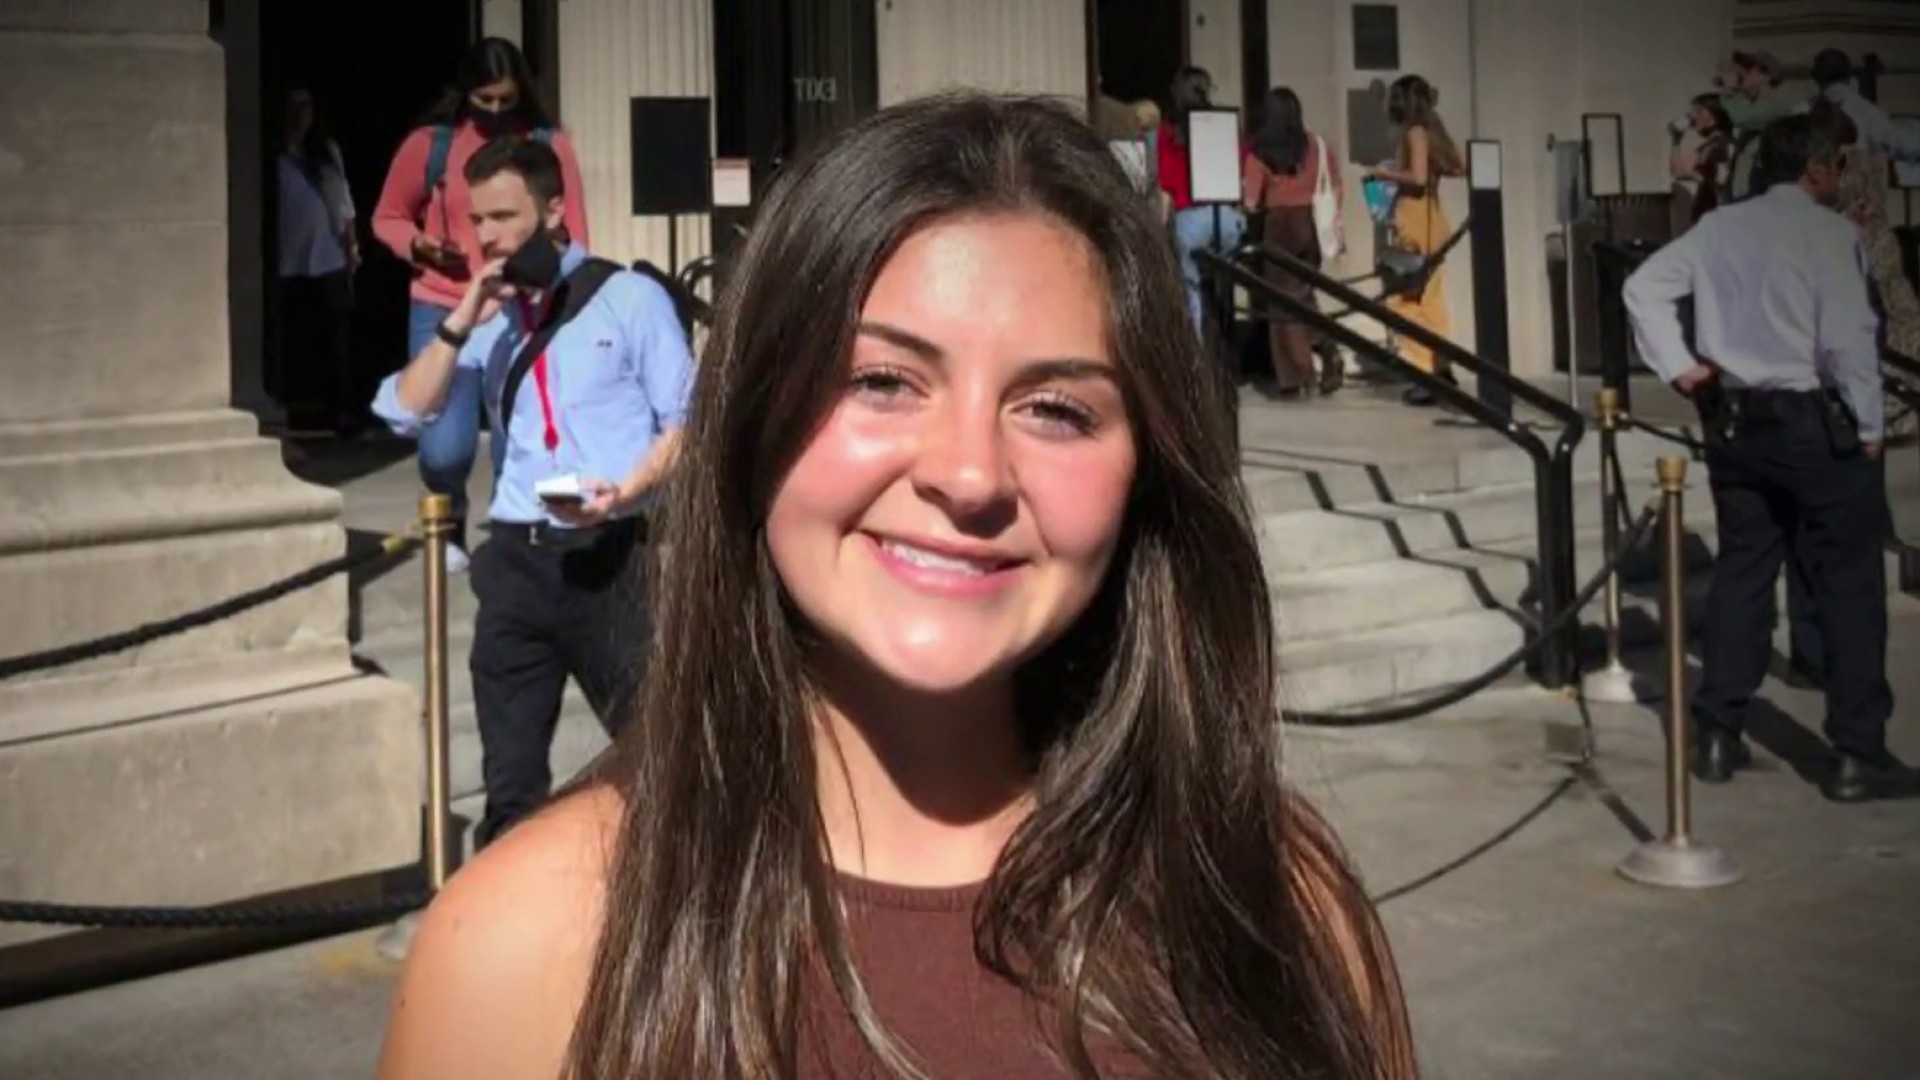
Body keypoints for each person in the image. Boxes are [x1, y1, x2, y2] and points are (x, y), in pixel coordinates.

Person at [376, 94, 1416, 1080]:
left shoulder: (1279, 904)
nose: (968, 475)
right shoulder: (523, 944)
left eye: (1056, 408)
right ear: (753, 423)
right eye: (879, 381)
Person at [370, 136, 689, 849]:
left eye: (502, 217)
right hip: (516, 562)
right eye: (476, 219)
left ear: (552, 211)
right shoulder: (494, 320)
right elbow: (403, 411)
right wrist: (461, 319)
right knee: (510, 789)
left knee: (662, 766)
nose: (485, 236)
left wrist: (626, 490)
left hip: (609, 559)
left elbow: (689, 422)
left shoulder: (628, 299)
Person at [1623, 114, 1913, 804]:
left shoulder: (1720, 227)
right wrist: (1870, 426)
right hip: (1814, 420)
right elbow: (1847, 338)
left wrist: (1683, 368)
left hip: (1738, 419)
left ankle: (1718, 731)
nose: (1841, 175)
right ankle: (1857, 751)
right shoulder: (1829, 234)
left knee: (1744, 572)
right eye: (1836, 163)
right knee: (1849, 584)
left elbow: (1643, 287)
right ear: (1814, 169)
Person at [373, 38, 592, 572]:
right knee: (443, 447)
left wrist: (558, 289)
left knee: (515, 433)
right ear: (464, 92)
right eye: (484, 100)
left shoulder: (547, 144)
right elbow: (388, 216)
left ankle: (509, 530)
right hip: (444, 303)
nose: (495, 112)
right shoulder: (432, 145)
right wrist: (421, 247)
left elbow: (575, 230)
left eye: (506, 100)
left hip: (520, 305)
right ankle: (447, 517)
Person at [1366, 75, 1462, 406]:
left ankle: (1425, 371)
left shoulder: (1415, 133)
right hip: (1433, 218)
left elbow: (1418, 178)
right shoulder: (1433, 131)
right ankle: (1441, 366)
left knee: (1403, 300)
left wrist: (1386, 174)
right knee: (1430, 300)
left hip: (1417, 221)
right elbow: (1457, 167)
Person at [1242, 85, 1344, 397]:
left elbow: (1250, 202)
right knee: (1303, 293)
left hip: (1279, 226)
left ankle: (1297, 376)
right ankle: (1326, 345)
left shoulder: (1259, 152)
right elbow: (1335, 185)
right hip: (1310, 222)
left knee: (1281, 301)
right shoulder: (1317, 145)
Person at [275, 89, 360, 434]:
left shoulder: (324, 152)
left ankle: (341, 410)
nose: (302, 117)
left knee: (336, 336)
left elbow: (343, 202)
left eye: (307, 109)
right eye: (295, 109)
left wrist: (351, 246)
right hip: (288, 257)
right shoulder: (277, 156)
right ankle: (289, 408)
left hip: (327, 255)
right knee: (291, 337)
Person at [1154, 66, 1247, 335]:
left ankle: (1194, 344)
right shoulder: (1224, 124)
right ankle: (1226, 338)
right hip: (1227, 217)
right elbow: (1241, 163)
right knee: (1225, 284)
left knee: (1189, 286)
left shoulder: (1168, 133)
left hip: (1190, 219)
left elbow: (1166, 180)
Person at [1668, 93, 1733, 234]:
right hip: (1706, 209)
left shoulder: (1721, 145)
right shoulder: (1707, 146)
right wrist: (1676, 141)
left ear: (1713, 116)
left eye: (1699, 111)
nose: (1693, 117)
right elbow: (1679, 172)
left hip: (1716, 211)